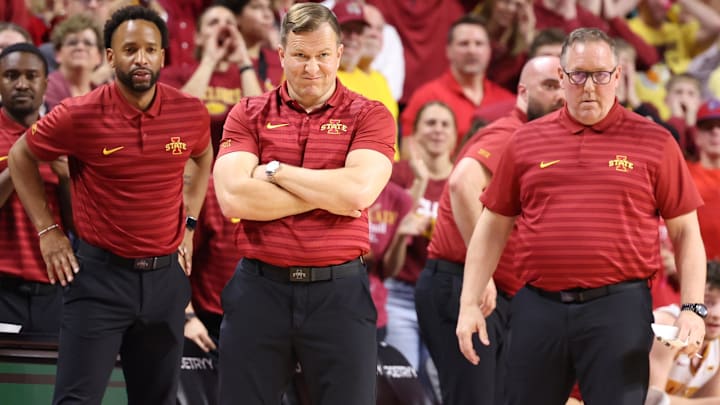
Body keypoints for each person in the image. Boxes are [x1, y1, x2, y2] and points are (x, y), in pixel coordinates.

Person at [456, 27, 707, 405]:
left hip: (618, 309)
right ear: (562, 77)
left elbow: (686, 233)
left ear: (618, 76)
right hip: (538, 307)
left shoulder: (655, 141)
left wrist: (692, 308)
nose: (589, 86)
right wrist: (469, 302)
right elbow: (492, 225)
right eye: (578, 75)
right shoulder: (525, 141)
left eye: (600, 75)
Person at [8, 6, 213, 404]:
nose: (141, 58)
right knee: (76, 400)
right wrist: (49, 232)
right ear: (110, 57)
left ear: (163, 56)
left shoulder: (190, 112)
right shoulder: (78, 114)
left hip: (165, 279)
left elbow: (203, 158)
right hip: (98, 280)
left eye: (151, 49)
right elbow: (21, 155)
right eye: (130, 49)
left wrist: (190, 223)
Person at [212, 3, 395, 404]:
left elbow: (358, 193)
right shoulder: (247, 113)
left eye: (322, 56)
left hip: (339, 294)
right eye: (300, 55)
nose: (312, 68)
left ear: (339, 55)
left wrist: (275, 171)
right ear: (280, 55)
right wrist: (330, 194)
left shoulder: (371, 115)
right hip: (259, 290)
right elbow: (233, 197)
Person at [416, 55, 565, 405]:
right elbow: (461, 183)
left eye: (564, 86)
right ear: (523, 93)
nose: (560, 95)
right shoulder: (510, 133)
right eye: (549, 85)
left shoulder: (543, 142)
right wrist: (481, 273)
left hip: (501, 294)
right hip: (462, 284)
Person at [0, 43, 68, 335]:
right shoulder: (38, 143)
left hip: (53, 287)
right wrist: (24, 155)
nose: (22, 84)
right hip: (3, 286)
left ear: (45, 83)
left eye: (31, 75)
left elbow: (77, 222)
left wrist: (66, 179)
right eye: (11, 75)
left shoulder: (61, 139)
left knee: (50, 379)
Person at [399, 15, 515, 158]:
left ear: (489, 50)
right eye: (463, 44)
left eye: (478, 44)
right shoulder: (427, 96)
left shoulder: (507, 101)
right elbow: (407, 153)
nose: (471, 50)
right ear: (448, 50)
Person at [160, 4, 263, 155]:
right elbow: (179, 116)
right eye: (214, 23)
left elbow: (259, 124)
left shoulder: (248, 76)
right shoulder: (174, 75)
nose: (223, 28)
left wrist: (244, 61)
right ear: (198, 37)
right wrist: (209, 61)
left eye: (229, 23)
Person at [646, 261, 720, 405]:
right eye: (708, 301)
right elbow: (650, 401)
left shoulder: (717, 344)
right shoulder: (666, 327)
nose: (717, 314)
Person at [44, 14, 104, 111]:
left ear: (99, 57)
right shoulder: (47, 87)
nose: (80, 47)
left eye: (88, 43)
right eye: (72, 43)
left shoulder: (103, 94)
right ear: (58, 54)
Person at [687, 98, 720, 262]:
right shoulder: (684, 173)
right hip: (698, 271)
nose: (715, 132)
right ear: (697, 135)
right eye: (708, 127)